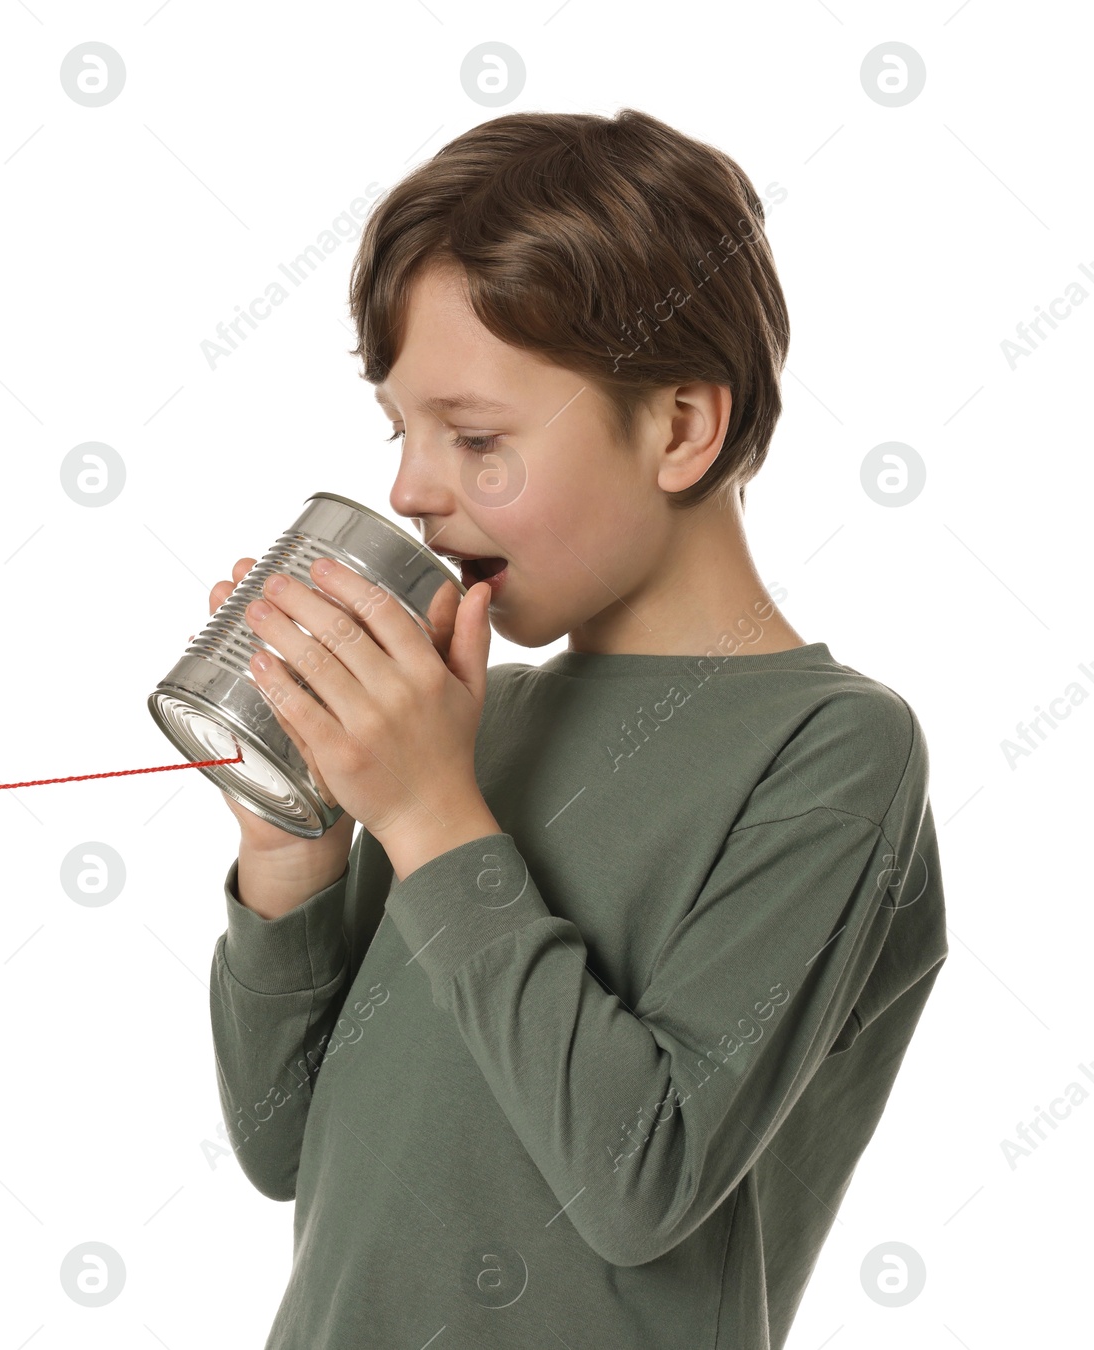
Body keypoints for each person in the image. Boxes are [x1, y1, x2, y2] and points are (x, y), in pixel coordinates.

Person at [205, 108, 947, 1349]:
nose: (408, 490)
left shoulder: (832, 750)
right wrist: (296, 848)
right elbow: (284, 1144)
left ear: (679, 428)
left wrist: (434, 813)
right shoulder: (467, 725)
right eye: (402, 429)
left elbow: (636, 1184)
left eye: (477, 437)